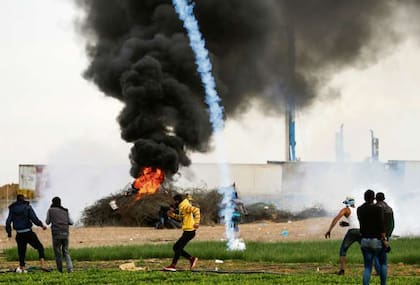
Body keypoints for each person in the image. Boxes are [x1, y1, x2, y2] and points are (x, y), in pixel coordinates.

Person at [5, 194, 48, 273]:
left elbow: (8, 222)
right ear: (23, 199)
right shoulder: (27, 207)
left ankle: (22, 268)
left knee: (21, 252)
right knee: (39, 247)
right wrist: (42, 225)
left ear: (17, 200)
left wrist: (9, 234)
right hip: (28, 232)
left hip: (19, 234)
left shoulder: (12, 209)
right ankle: (42, 265)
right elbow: (34, 219)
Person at [357, 189, 390, 285]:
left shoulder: (359, 209)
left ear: (364, 198)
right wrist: (384, 239)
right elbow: (381, 225)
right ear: (374, 198)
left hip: (364, 240)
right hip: (377, 240)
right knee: (383, 263)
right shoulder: (378, 208)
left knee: (367, 267)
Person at [164, 194, 200, 272]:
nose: (174, 204)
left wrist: (197, 222)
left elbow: (196, 210)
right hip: (187, 231)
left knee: (178, 248)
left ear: (177, 201)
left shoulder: (185, 206)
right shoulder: (182, 207)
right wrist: (172, 215)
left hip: (190, 231)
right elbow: (181, 218)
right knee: (176, 247)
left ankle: (173, 265)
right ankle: (191, 258)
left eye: (174, 202)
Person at [324, 196, 360, 275]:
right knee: (367, 251)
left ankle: (342, 270)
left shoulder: (346, 210)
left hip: (352, 232)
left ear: (347, 203)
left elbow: (336, 219)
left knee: (343, 250)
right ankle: (377, 270)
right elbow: (358, 222)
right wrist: (347, 224)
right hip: (361, 231)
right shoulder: (359, 209)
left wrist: (329, 230)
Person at [45, 197, 74, 273]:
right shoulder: (65, 210)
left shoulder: (50, 210)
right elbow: (71, 222)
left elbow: (47, 222)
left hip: (56, 234)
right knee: (66, 251)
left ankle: (60, 270)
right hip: (65, 233)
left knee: (58, 253)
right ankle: (70, 268)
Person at [374, 192, 394, 275]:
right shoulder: (390, 208)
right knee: (383, 254)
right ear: (384, 199)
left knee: (375, 254)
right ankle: (383, 271)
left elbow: (377, 222)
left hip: (378, 234)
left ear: (376, 199)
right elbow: (392, 223)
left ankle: (379, 272)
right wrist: (388, 234)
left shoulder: (376, 208)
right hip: (387, 233)